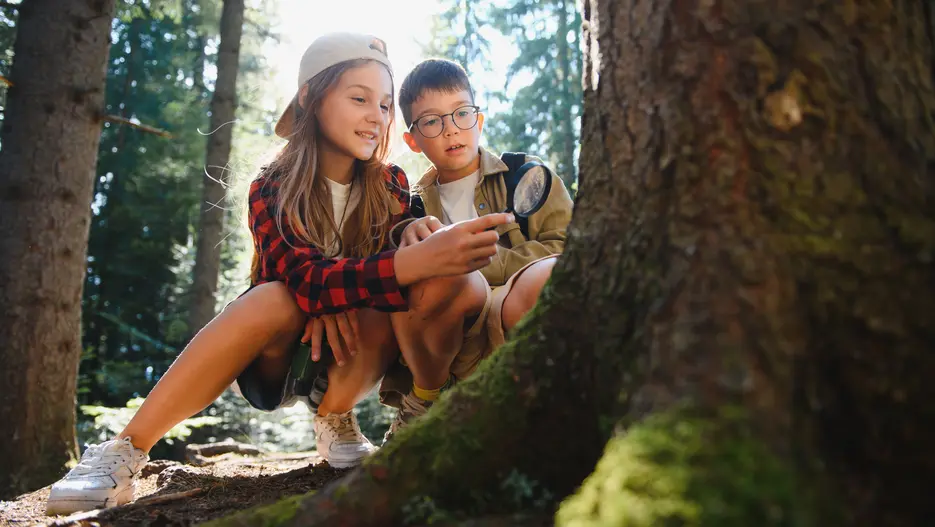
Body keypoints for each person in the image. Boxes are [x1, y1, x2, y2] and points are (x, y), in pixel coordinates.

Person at [45, 33, 513, 516]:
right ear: (311, 96)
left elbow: (384, 268)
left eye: (386, 104)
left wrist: (410, 232)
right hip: (279, 356)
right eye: (359, 98)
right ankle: (125, 449)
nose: (377, 115)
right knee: (278, 297)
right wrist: (395, 268)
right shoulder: (273, 184)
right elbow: (304, 279)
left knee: (381, 299)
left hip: (349, 351)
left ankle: (335, 418)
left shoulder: (391, 183)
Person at [377, 58, 574, 440]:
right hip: (449, 342)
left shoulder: (527, 177)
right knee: (419, 277)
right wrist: (413, 242)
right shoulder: (409, 207)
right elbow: (388, 278)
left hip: (513, 318)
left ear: (478, 121)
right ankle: (423, 403)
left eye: (461, 114)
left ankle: (535, 408)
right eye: (433, 121)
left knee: (547, 275)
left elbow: (568, 248)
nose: (452, 130)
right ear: (413, 140)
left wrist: (482, 259)